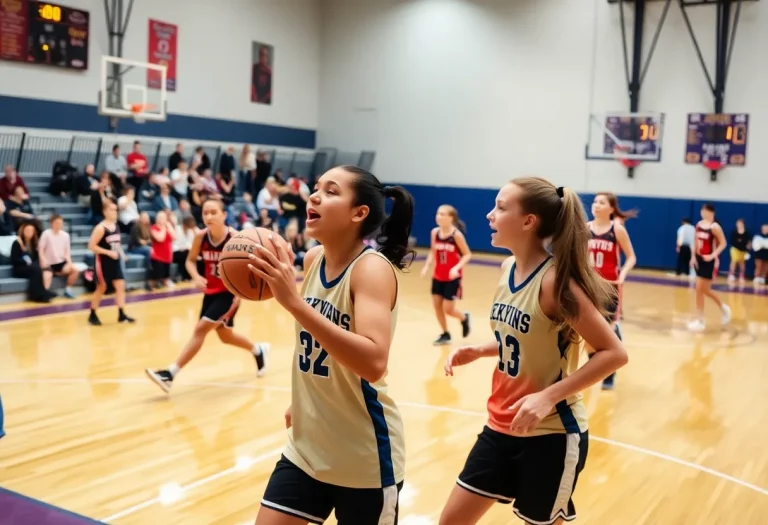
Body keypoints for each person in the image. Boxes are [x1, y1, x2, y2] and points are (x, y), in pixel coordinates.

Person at [438, 178, 628, 525]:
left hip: (551, 435)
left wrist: (548, 397)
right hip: (501, 426)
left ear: (529, 221)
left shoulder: (555, 282)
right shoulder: (508, 268)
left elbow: (613, 353)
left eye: (500, 207)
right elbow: (530, 336)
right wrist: (481, 349)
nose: (489, 215)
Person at [247, 165, 414, 524]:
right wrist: (304, 400)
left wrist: (293, 303)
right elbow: (317, 342)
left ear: (359, 213)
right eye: (316, 187)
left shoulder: (371, 270)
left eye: (332, 191)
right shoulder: (313, 260)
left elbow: (373, 362)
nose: (315, 195)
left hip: (364, 458)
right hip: (307, 449)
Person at [145, 198, 268, 393]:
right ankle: (258, 350)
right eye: (205, 213)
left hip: (229, 294)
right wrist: (196, 276)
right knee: (225, 336)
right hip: (210, 291)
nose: (208, 216)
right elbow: (190, 261)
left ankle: (170, 374)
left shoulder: (236, 239)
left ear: (224, 215)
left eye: (213, 212)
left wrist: (240, 293)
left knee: (200, 329)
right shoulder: (200, 237)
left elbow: (248, 270)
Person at [586, 192, 636, 390]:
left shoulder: (617, 230)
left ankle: (609, 372)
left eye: (601, 202)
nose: (596, 205)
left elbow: (631, 257)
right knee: (587, 332)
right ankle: (597, 364)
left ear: (611, 208)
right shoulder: (585, 229)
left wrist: (622, 273)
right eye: (595, 202)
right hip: (589, 286)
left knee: (606, 331)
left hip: (610, 287)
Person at [421, 204, 472, 345]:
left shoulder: (456, 235)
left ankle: (464, 318)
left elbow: (467, 255)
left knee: (448, 309)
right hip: (438, 275)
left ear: (451, 218)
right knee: (437, 306)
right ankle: (445, 334)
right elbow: (432, 251)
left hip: (452, 277)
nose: (439, 216)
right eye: (438, 213)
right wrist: (426, 266)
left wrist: (456, 268)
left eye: (443, 214)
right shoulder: (434, 232)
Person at [87, 201, 135, 325]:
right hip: (102, 262)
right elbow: (91, 246)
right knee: (101, 287)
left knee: (120, 286)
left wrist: (122, 255)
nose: (115, 212)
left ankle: (121, 314)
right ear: (105, 212)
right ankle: (92, 314)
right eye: (112, 210)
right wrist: (108, 253)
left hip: (115, 261)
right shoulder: (100, 228)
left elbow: (116, 244)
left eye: (115, 210)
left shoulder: (116, 226)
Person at [688, 204, 730, 332]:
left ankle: (703, 319)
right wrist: (693, 257)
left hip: (710, 261)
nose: (702, 212)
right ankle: (721, 309)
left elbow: (723, 243)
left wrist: (712, 255)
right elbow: (695, 241)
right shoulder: (699, 225)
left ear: (710, 212)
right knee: (702, 290)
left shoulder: (715, 227)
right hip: (700, 259)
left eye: (704, 210)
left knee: (701, 289)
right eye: (701, 210)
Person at [38, 214, 79, 299]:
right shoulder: (46, 234)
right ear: (51, 223)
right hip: (48, 263)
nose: (59, 225)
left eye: (61, 223)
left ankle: (68, 290)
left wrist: (70, 263)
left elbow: (67, 252)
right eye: (57, 223)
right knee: (47, 276)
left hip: (60, 263)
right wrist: (42, 259)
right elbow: (40, 248)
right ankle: (45, 293)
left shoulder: (65, 235)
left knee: (75, 270)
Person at [727, 218, 750, 285]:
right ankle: (731, 275)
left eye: (740, 223)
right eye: (738, 223)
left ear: (743, 224)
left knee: (742, 263)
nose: (738, 224)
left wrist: (747, 250)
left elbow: (748, 243)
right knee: (733, 262)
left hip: (743, 250)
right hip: (735, 249)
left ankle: (741, 276)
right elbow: (732, 241)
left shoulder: (747, 233)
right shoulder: (734, 232)